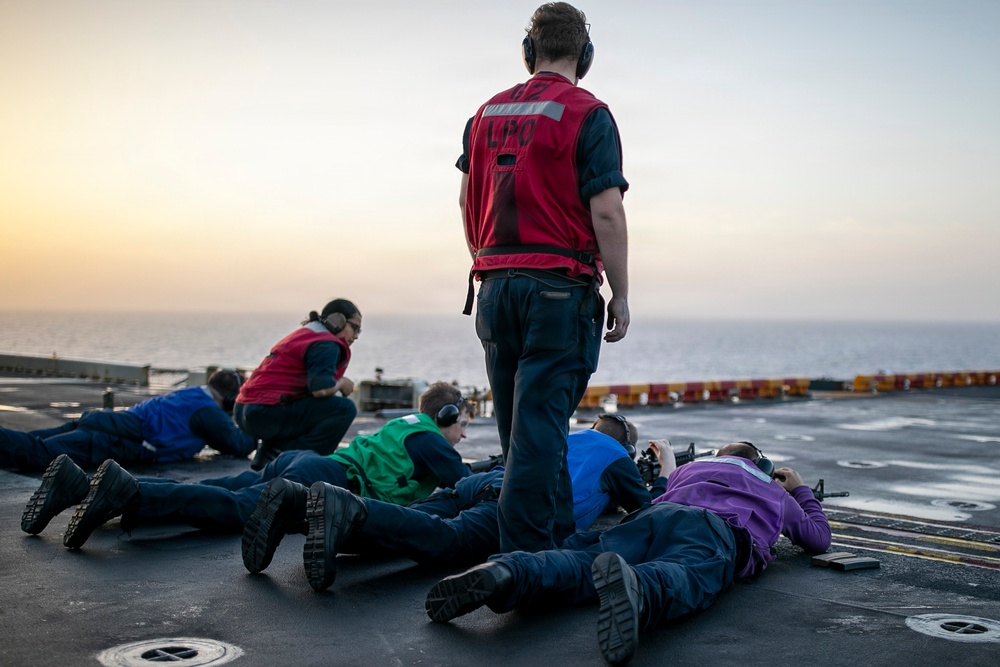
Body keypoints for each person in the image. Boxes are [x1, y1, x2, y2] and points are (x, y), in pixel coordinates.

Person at [458, 2, 631, 552]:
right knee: (539, 433)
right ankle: (521, 564)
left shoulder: (484, 114)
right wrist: (621, 293)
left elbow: (465, 199)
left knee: (523, 434)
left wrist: (488, 261)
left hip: (494, 286)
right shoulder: (589, 114)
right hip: (559, 289)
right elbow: (607, 212)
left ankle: (551, 545)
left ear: (529, 52)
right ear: (586, 55)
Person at [425, 441, 832, 665]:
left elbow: (656, 495)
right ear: (764, 465)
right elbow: (818, 539)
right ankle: (639, 587)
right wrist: (798, 489)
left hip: (655, 516)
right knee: (688, 571)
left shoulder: (691, 470)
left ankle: (511, 573)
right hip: (715, 530)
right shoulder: (771, 490)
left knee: (584, 559)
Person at [21, 382, 472, 550]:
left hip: (306, 462)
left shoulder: (407, 425)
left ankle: (80, 487)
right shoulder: (433, 441)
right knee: (236, 509)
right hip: (325, 478)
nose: (465, 435)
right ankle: (131, 493)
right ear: (447, 416)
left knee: (221, 488)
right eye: (464, 425)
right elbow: (467, 485)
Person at [244, 415, 670, 592]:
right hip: (513, 503)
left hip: (478, 484)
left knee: (402, 531)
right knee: (446, 542)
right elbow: (647, 509)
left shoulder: (565, 434)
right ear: (626, 448)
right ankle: (346, 506)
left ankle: (298, 504)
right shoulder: (616, 457)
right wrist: (666, 470)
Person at [1, 369, 253, 473]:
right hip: (114, 439)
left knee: (33, 441)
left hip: (106, 422)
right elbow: (238, 444)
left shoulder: (192, 394)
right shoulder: (209, 413)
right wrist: (254, 422)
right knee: (38, 454)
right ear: (232, 398)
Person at [235, 299, 361, 470]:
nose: (356, 336)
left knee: (301, 403)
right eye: (355, 328)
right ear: (338, 320)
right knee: (344, 409)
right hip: (265, 413)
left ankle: (268, 454)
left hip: (243, 410)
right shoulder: (326, 344)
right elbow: (321, 389)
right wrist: (341, 383)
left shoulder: (305, 334)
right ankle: (302, 463)